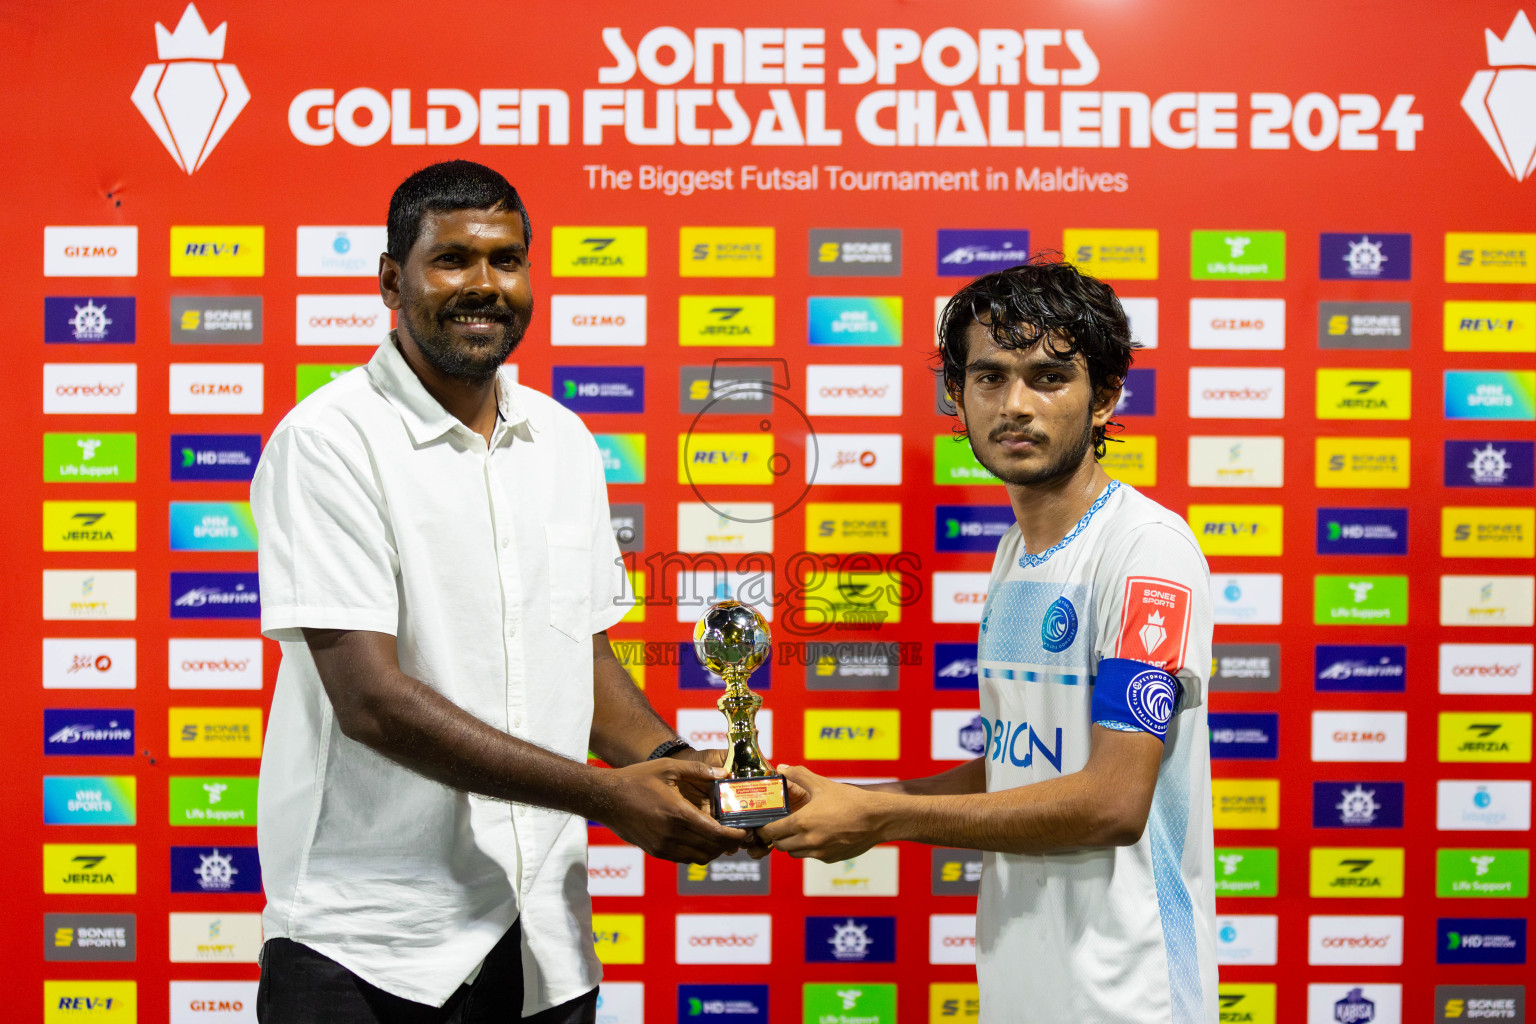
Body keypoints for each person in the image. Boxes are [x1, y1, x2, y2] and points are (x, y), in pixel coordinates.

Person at [250, 160, 749, 1024]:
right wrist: (604, 796)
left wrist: (674, 765)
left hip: (542, 945)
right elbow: (371, 701)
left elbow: (580, 659)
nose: (485, 286)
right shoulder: (329, 441)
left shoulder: (561, 439)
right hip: (370, 950)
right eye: (452, 260)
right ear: (390, 282)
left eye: (507, 260)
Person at [759, 256, 1219, 1024]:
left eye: (1048, 377)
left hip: (1130, 997)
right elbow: (1023, 763)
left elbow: (1112, 800)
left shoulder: (1146, 550)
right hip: (1024, 983)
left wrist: (882, 819)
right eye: (989, 377)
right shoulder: (1018, 550)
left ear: (1104, 398)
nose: (1016, 405)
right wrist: (858, 804)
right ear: (955, 393)